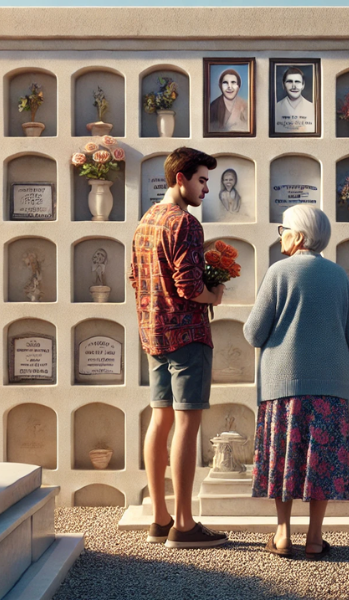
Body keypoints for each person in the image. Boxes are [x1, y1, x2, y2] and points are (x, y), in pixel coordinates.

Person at [244, 205, 349, 560]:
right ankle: (315, 539)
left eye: (282, 229)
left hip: (282, 387)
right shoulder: (337, 277)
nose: (280, 235)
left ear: (298, 236)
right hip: (330, 388)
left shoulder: (278, 272)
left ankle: (283, 535)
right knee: (322, 459)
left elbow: (254, 333)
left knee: (284, 457)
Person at [130, 147, 228, 549]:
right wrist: (215, 294)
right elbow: (189, 286)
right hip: (187, 335)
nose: (207, 189)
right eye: (202, 180)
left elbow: (135, 279)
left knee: (160, 420)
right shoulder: (184, 224)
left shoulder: (146, 221)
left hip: (154, 334)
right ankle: (184, 525)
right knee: (187, 424)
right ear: (180, 179)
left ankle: (159, 518)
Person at [274, 67, 315, 134]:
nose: (294, 86)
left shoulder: (313, 108)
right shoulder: (276, 108)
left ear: (303, 85)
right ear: (283, 85)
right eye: (290, 81)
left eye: (297, 82)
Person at [209, 69, 249, 133]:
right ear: (220, 86)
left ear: (238, 86)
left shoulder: (246, 107)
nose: (229, 87)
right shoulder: (212, 108)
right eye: (225, 83)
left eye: (233, 82)